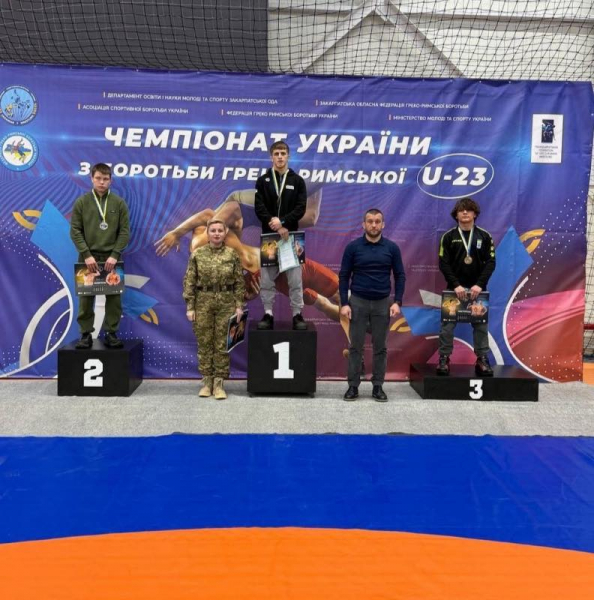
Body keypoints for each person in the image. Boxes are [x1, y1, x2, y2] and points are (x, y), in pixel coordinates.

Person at [339, 209, 406, 402]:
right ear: (364, 224)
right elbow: (344, 276)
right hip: (357, 302)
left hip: (382, 303)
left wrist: (397, 302)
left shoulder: (392, 248)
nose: (374, 225)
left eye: (377, 221)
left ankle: (378, 386)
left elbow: (400, 275)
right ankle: (353, 386)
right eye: (370, 221)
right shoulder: (353, 247)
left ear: (383, 224)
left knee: (380, 347)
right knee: (355, 347)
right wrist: (345, 303)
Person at [183, 218, 245, 400]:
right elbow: (189, 281)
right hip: (203, 302)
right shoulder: (197, 254)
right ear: (208, 233)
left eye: (220, 230)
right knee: (204, 343)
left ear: (225, 233)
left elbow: (239, 282)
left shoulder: (232, 254)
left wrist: (239, 305)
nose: (216, 233)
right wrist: (190, 306)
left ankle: (219, 383)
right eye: (213, 230)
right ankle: (207, 381)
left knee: (222, 344)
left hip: (226, 303)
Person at [70, 162, 130, 349]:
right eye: (98, 178)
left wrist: (115, 254)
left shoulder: (119, 203)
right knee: (86, 298)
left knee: (114, 298)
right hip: (88, 258)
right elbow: (75, 231)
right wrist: (86, 254)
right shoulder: (82, 202)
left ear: (111, 180)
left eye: (105, 179)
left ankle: (111, 333)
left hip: (112, 258)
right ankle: (85, 334)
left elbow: (124, 232)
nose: (101, 182)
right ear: (91, 179)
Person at [436, 197, 496, 376]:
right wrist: (456, 285)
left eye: (468, 210)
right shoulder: (448, 237)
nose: (464, 212)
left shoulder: (484, 236)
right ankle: (444, 358)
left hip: (478, 291)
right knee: (447, 326)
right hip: (454, 290)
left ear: (475, 214)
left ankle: (482, 359)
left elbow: (491, 262)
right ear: (456, 215)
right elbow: (443, 263)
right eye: (460, 210)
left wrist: (479, 285)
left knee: (480, 326)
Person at [254, 141, 308, 331]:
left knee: (295, 279)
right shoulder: (263, 181)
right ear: (271, 157)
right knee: (267, 279)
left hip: (291, 238)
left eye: (283, 153)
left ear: (288, 156)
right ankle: (268, 313)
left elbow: (301, 208)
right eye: (276, 153)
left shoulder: (297, 181)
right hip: (269, 237)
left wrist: (283, 222)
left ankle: (297, 314)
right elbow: (259, 207)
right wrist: (275, 224)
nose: (279, 157)